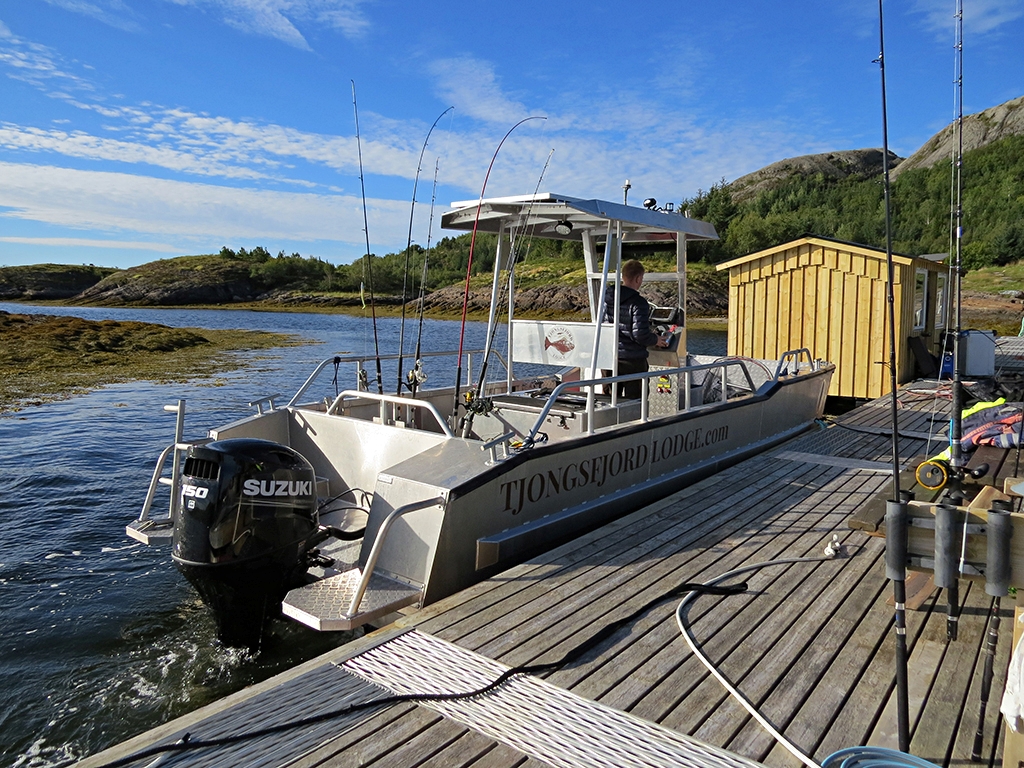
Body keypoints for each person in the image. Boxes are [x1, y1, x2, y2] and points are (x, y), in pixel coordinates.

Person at [603, 259, 669, 399]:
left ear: (623, 276)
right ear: (638, 278)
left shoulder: (606, 298)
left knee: (609, 399)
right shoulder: (638, 303)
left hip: (608, 357)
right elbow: (640, 334)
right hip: (632, 359)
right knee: (636, 401)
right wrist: (656, 339)